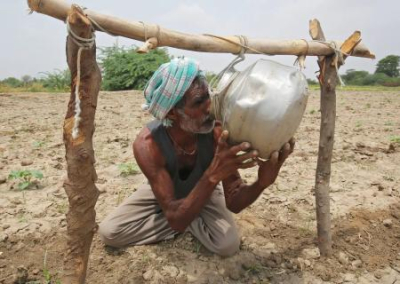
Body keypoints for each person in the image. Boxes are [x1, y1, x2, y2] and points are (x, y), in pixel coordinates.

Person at [98, 57, 294, 257]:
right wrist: (210, 177)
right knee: (110, 231)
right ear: (173, 113)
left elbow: (234, 202)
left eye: (208, 96)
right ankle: (184, 213)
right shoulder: (148, 145)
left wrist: (262, 182)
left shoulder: (217, 131)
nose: (209, 107)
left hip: (207, 191)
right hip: (169, 191)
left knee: (227, 245)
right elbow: (177, 215)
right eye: (199, 102)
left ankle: (187, 212)